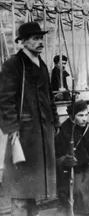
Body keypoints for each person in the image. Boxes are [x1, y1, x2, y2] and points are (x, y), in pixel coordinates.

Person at [0, 22, 60, 216]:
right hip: (23, 135)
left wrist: (55, 121)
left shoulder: (41, 64)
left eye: (41, 38)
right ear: (23, 42)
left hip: (41, 135)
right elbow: (5, 99)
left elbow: (49, 97)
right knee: (20, 189)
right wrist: (12, 130)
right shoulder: (13, 65)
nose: (40, 42)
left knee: (34, 187)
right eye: (35, 39)